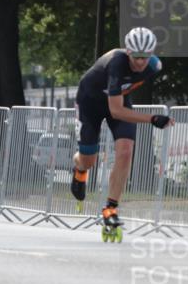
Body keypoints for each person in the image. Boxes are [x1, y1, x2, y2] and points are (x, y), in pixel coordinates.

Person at [70, 27, 174, 231]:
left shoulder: (155, 66)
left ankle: (111, 209)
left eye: (145, 57)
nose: (141, 62)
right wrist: (152, 118)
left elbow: (119, 104)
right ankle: (79, 168)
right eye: (136, 56)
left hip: (118, 98)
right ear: (128, 52)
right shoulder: (117, 64)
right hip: (90, 103)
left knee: (126, 152)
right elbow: (116, 111)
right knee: (88, 160)